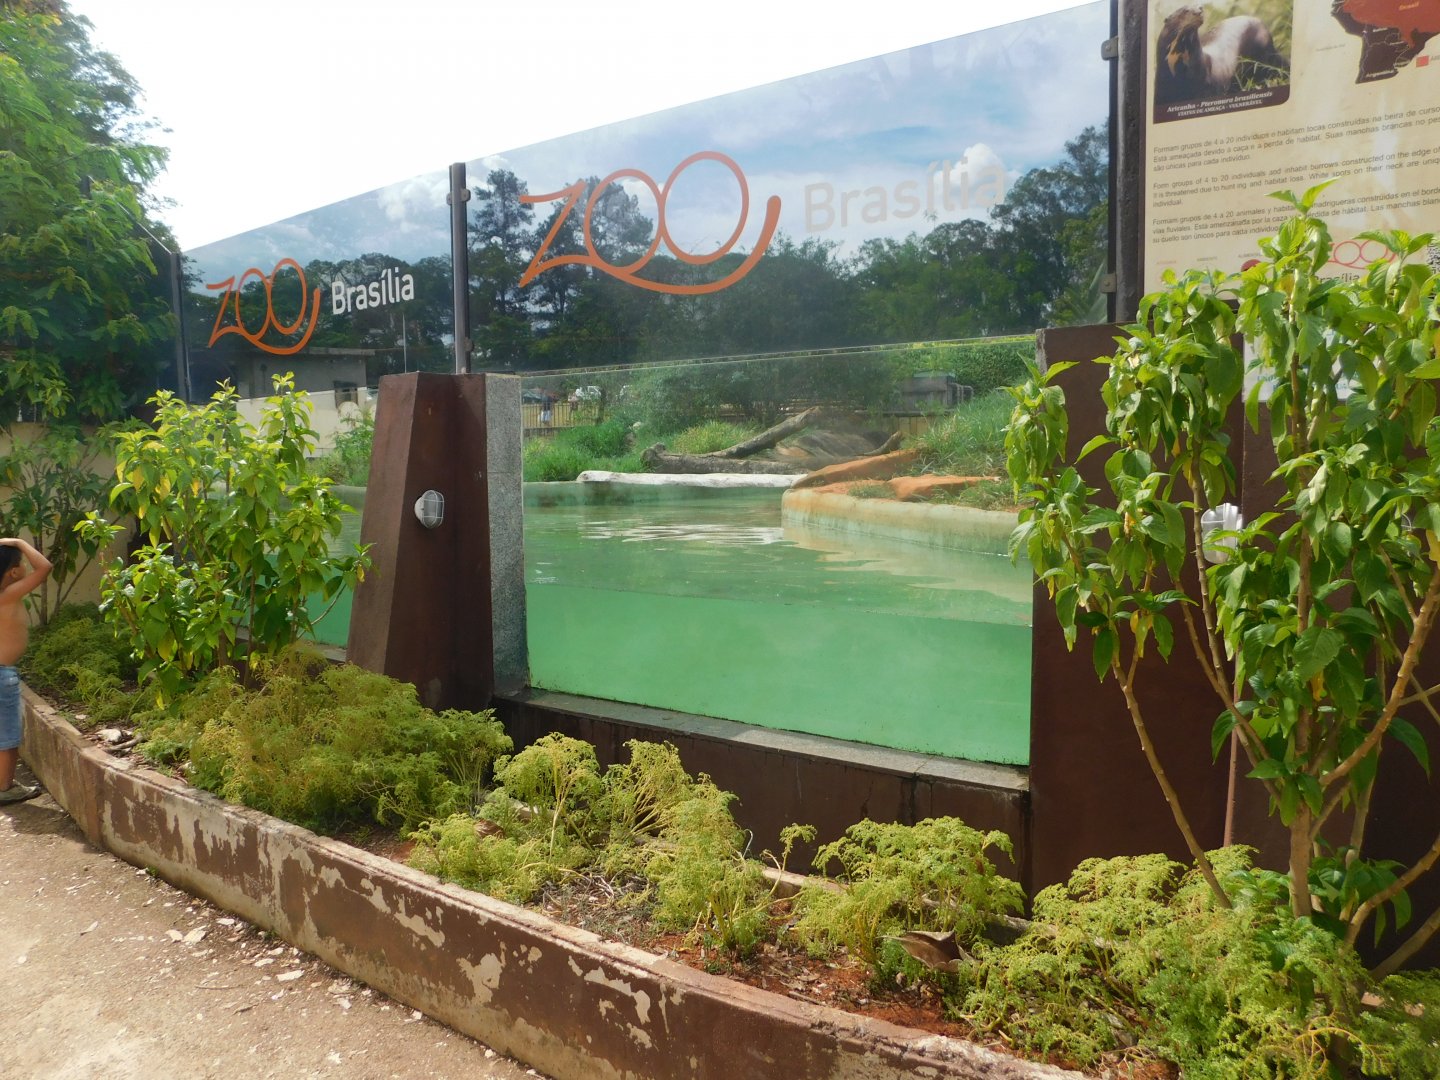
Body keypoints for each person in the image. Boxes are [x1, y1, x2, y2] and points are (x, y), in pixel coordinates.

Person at [0, 537, 52, 804]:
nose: (25, 566)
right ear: (13, 571)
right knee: (8, 735)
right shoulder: (8, 594)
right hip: (2, 675)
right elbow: (44, 568)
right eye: (20, 563)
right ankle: (5, 788)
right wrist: (18, 542)